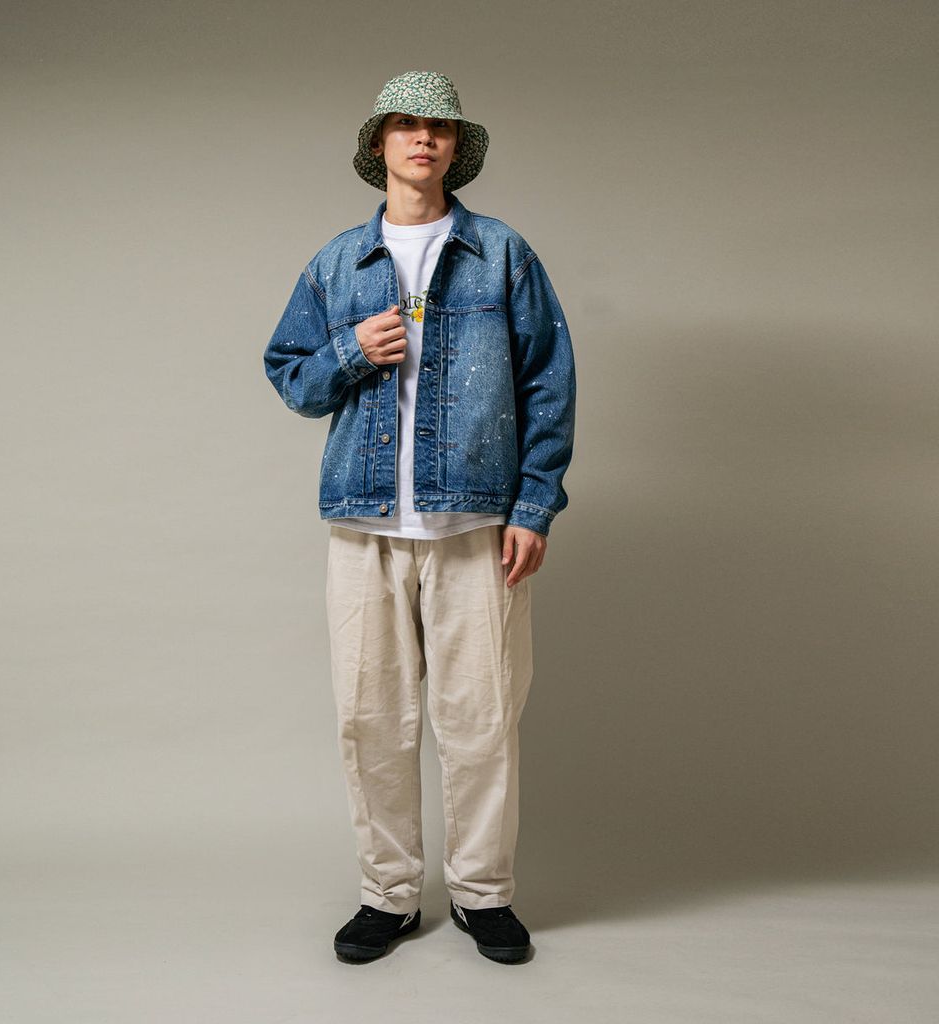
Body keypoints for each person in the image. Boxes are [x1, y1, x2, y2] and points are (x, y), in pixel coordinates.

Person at [263, 70, 576, 964]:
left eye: (439, 126)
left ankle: (483, 895)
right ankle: (388, 895)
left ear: (455, 147)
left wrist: (534, 505)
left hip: (476, 528)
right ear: (380, 144)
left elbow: (549, 381)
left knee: (481, 721)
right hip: (364, 528)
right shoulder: (336, 264)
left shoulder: (502, 253)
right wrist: (350, 350)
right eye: (405, 125)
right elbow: (291, 377)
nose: (423, 138)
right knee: (370, 721)